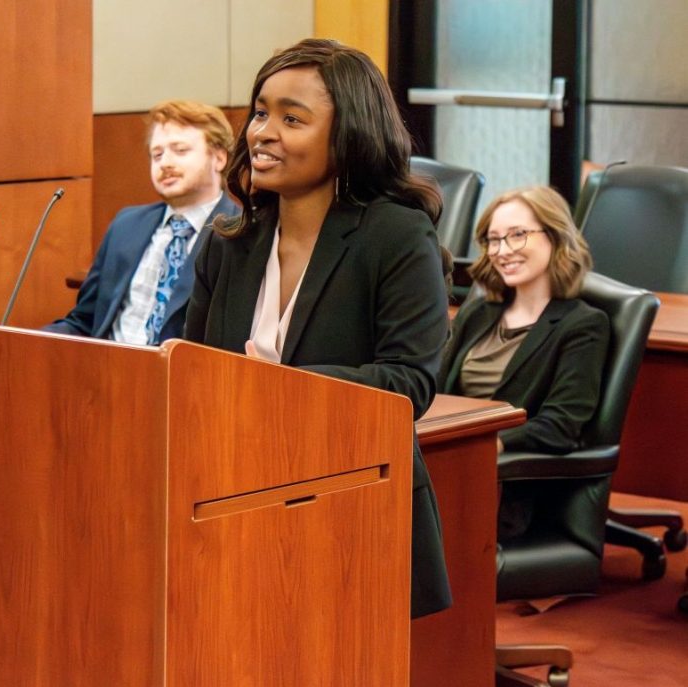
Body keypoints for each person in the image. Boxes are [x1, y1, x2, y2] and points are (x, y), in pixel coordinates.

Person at [183, 39, 452, 619]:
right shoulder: (228, 242)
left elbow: (409, 382)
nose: (262, 133)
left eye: (292, 118)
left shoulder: (397, 236)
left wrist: (285, 387)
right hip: (232, 500)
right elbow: (191, 369)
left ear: (348, 134)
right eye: (260, 113)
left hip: (353, 507)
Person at [439, 185, 609, 539]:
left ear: (555, 236)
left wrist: (492, 443)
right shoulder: (479, 312)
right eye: (494, 240)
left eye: (518, 235)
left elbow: (560, 425)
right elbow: (436, 389)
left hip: (506, 489)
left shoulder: (583, 325)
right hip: (447, 463)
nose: (503, 251)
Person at [45, 100, 239, 344]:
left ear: (219, 158)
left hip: (184, 366)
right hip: (108, 361)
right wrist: (29, 341)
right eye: (157, 154)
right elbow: (84, 321)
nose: (165, 163)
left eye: (180, 150)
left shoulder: (241, 233)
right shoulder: (126, 225)